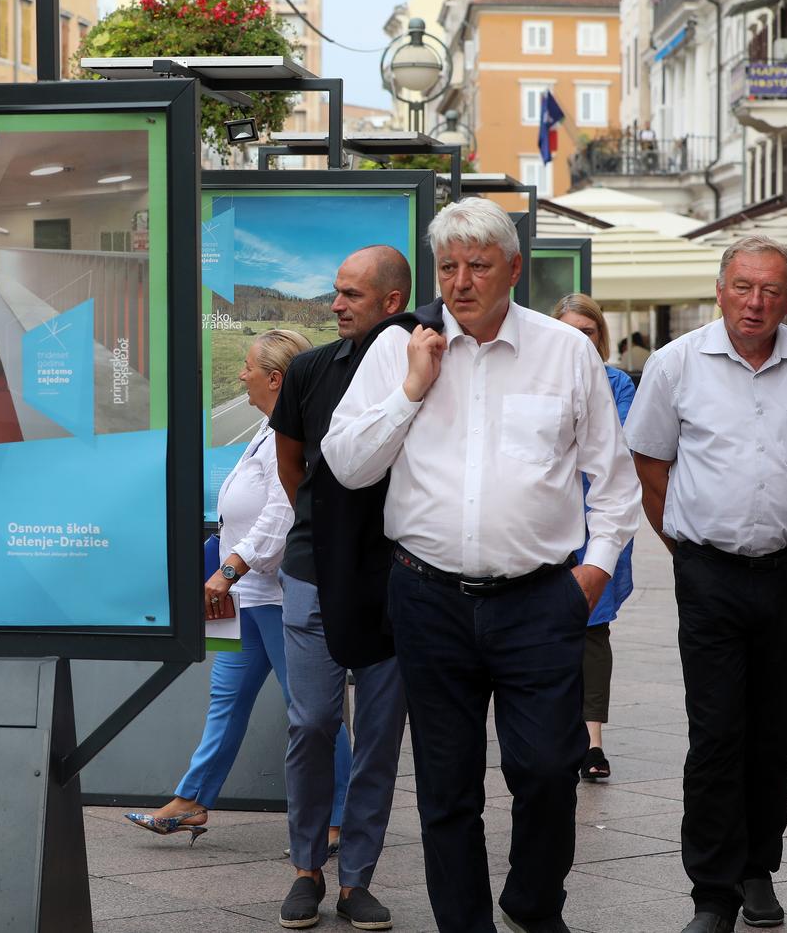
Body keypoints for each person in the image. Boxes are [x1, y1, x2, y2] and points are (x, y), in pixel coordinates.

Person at [324, 202, 639, 933]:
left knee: (547, 770)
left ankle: (533, 900)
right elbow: (346, 463)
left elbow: (614, 481)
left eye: (478, 266)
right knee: (446, 786)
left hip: (539, 600)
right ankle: (465, 923)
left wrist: (592, 573)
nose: (461, 282)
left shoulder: (565, 350)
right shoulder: (399, 347)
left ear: (514, 269)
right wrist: (409, 390)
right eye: (448, 267)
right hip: (428, 596)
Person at [625, 235, 787, 933]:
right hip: (710, 574)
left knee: (774, 730)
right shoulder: (675, 365)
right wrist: (695, 546)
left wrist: (773, 519)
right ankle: (712, 889)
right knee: (717, 731)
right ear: (721, 287)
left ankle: (759, 865)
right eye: (743, 286)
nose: (755, 302)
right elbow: (650, 466)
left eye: (770, 290)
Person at [124, 330, 353, 853]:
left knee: (313, 710)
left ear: (276, 378)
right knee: (227, 701)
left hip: (277, 595)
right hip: (247, 597)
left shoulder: (286, 436)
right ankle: (192, 799)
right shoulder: (265, 430)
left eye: (248, 367)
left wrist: (230, 567)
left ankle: (342, 810)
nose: (241, 375)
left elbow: (281, 510)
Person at [269, 244, 415, 932]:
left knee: (381, 734)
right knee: (313, 721)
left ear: (391, 301)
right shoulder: (306, 369)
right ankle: (307, 867)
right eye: (335, 291)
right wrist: (327, 528)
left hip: (395, 578)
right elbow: (291, 463)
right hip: (313, 571)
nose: (334, 304)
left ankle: (358, 879)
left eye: (351, 294)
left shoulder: (423, 363)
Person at [552, 293, 638, 783]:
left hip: (598, 519)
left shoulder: (616, 382)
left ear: (600, 337)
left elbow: (617, 445)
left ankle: (592, 741)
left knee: (592, 628)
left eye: (587, 331)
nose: (578, 340)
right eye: (567, 331)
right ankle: (556, 729)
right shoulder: (535, 377)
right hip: (544, 523)